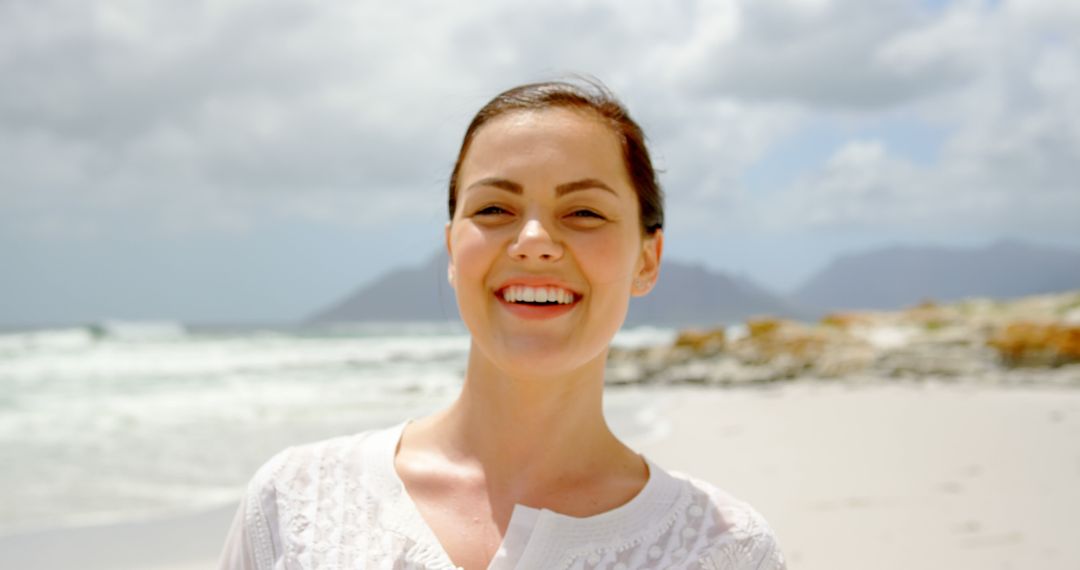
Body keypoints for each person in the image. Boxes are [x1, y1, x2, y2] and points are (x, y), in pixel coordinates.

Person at [219, 79, 786, 570]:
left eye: (584, 212)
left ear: (647, 259)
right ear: (451, 249)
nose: (534, 242)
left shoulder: (724, 550)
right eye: (494, 210)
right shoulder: (297, 500)